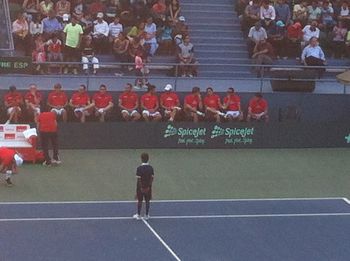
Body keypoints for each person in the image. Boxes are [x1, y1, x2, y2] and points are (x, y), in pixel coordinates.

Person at [133, 152, 154, 220]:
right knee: (147, 201)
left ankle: (138, 215)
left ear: (141, 159)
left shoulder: (139, 168)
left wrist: (141, 188)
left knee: (140, 201)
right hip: (148, 188)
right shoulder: (151, 168)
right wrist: (148, 187)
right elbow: (151, 178)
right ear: (148, 159)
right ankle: (147, 215)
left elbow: (139, 180)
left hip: (140, 188)